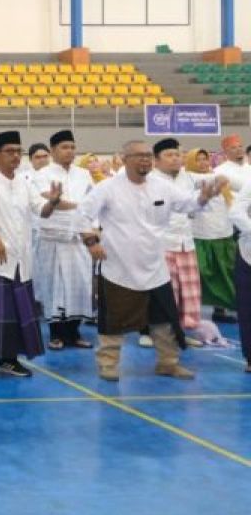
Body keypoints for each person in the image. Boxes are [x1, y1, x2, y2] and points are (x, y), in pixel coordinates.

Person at [81, 140, 225, 381]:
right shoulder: (107, 188)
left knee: (165, 321)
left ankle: (168, 363)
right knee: (113, 321)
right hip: (119, 268)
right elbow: (83, 215)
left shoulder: (162, 186)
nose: (145, 160)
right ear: (124, 159)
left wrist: (203, 198)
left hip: (156, 267)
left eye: (148, 155)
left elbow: (187, 204)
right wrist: (92, 243)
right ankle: (108, 364)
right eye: (138, 156)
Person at [0, 131, 63, 379]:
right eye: (9, 151)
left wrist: (52, 202)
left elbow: (40, 211)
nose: (15, 156)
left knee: (18, 312)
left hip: (22, 259)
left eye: (18, 151)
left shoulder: (25, 181)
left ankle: (9, 360)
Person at [32, 130, 96, 350]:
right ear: (53, 150)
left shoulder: (83, 174)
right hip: (53, 239)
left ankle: (74, 333)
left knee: (79, 285)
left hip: (78, 238)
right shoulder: (42, 174)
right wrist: (77, 205)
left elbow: (93, 203)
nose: (69, 151)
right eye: (64, 147)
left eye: (72, 147)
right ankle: (55, 334)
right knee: (55, 287)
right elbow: (52, 203)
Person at [152, 139, 202, 333]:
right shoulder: (150, 180)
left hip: (185, 242)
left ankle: (181, 331)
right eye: (169, 155)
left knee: (188, 292)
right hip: (161, 244)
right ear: (156, 160)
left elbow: (216, 178)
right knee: (162, 291)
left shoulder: (188, 178)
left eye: (177, 154)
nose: (175, 159)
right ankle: (153, 331)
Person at [186, 149, 237, 323]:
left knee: (224, 273)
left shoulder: (218, 177)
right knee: (201, 273)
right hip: (200, 235)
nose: (202, 163)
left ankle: (220, 310)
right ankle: (191, 312)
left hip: (223, 233)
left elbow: (231, 200)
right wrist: (216, 180)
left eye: (205, 159)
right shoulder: (188, 178)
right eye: (198, 159)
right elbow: (198, 186)